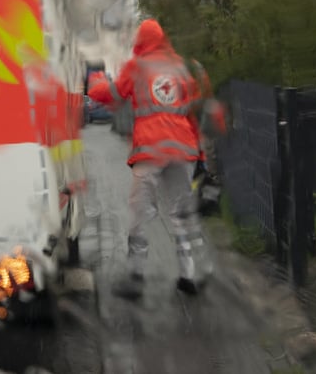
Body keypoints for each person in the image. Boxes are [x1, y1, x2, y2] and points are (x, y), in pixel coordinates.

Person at [88, 19, 220, 298]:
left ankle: (136, 277)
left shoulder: (137, 67)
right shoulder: (184, 67)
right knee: (180, 213)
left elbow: (108, 95)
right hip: (183, 151)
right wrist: (202, 156)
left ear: (141, 42)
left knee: (140, 212)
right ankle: (188, 275)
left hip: (151, 151)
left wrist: (95, 79)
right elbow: (194, 112)